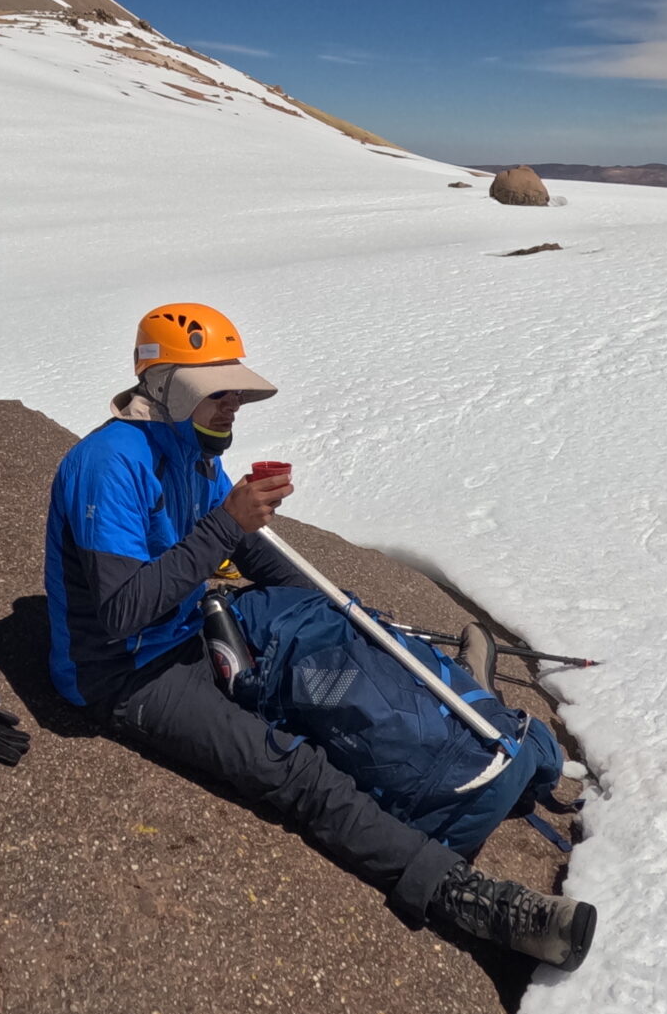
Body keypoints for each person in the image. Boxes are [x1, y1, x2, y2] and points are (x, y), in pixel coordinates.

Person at [44, 303, 596, 969]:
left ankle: (474, 738)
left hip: (188, 627)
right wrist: (227, 524)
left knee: (338, 657)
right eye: (218, 391)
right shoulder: (109, 463)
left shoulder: (191, 453)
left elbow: (251, 553)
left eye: (236, 390)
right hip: (125, 673)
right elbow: (120, 612)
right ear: (167, 388)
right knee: (294, 767)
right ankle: (466, 898)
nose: (234, 404)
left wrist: (347, 615)